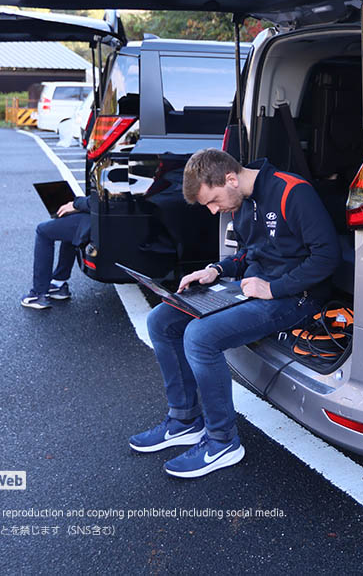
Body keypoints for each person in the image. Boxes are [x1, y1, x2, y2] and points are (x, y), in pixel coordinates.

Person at [129, 148, 340, 478]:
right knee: (162, 319)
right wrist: (215, 269)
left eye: (213, 201)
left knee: (200, 337)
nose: (214, 211)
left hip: (296, 297)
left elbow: (327, 256)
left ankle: (222, 441)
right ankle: (184, 420)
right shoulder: (243, 201)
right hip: (253, 287)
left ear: (230, 178)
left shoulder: (292, 192)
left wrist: (273, 289)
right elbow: (249, 254)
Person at [22, 197, 91, 310]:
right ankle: (59, 283)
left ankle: (39, 293)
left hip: (101, 220)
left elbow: (108, 199)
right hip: (105, 216)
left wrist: (77, 204)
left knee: (43, 231)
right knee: (70, 224)